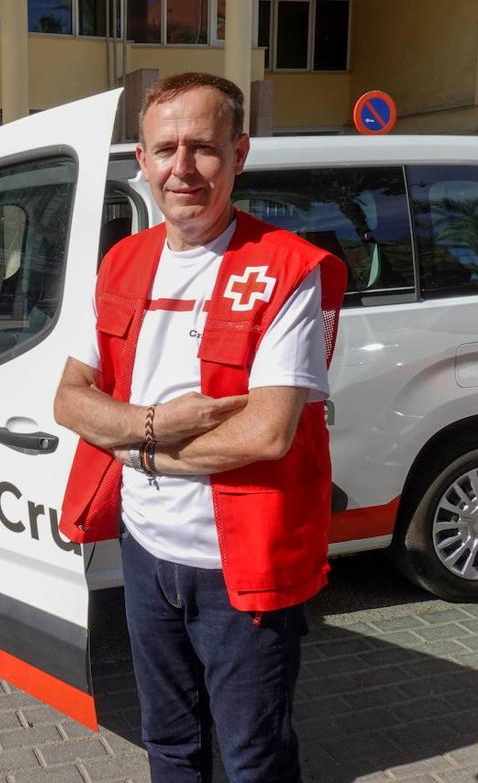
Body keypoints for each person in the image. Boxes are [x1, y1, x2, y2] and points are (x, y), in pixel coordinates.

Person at [53, 72, 347, 783]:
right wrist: (156, 423)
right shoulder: (123, 261)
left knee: (254, 756)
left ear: (239, 153)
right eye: (166, 149)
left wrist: (133, 450)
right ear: (142, 162)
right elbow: (68, 399)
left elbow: (268, 433)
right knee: (170, 744)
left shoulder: (284, 270)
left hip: (241, 567)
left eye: (203, 148)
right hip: (148, 555)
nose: (183, 168)